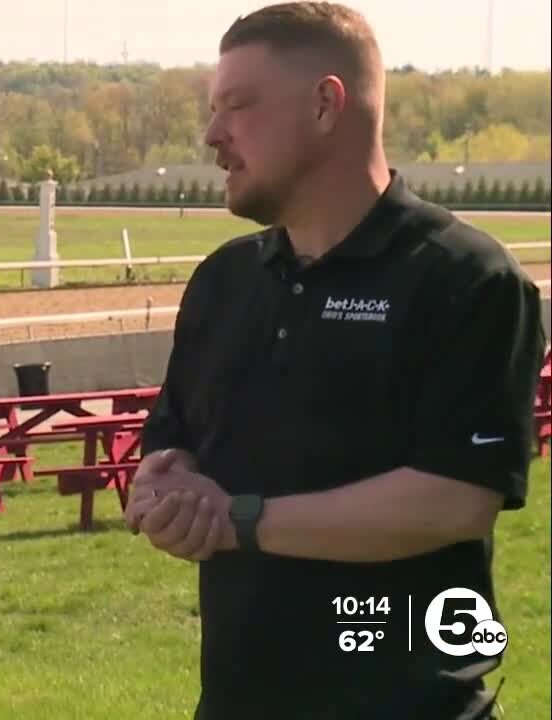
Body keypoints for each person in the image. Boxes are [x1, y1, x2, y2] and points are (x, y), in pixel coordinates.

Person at [123, 3, 546, 719]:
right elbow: (173, 446)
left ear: (325, 104)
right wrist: (167, 490)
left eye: (237, 106)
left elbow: (455, 501)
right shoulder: (224, 282)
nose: (212, 136)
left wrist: (239, 520)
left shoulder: (466, 279)